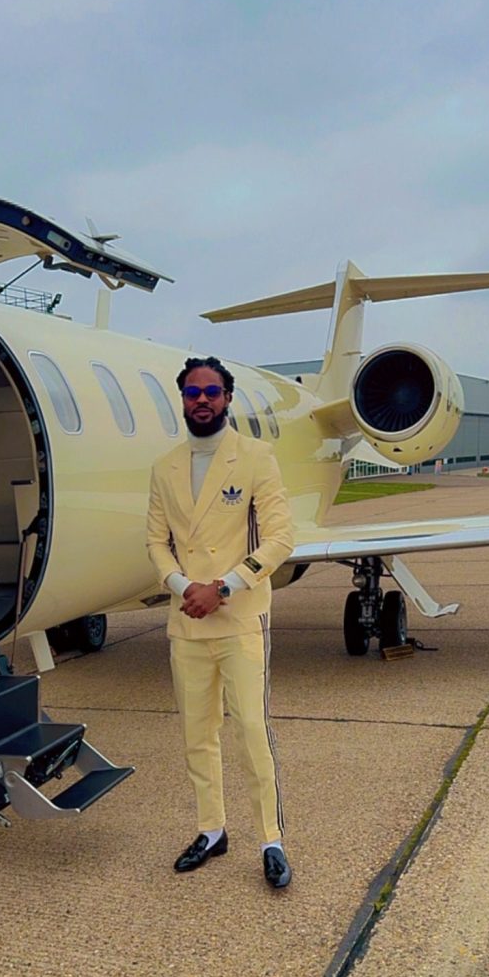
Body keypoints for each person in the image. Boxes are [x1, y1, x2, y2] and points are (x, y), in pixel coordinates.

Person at [146, 356, 295, 888]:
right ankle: (211, 831)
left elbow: (280, 538)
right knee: (197, 735)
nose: (202, 400)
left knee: (252, 731)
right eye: (193, 393)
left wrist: (223, 587)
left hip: (238, 619)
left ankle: (271, 840)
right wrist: (183, 587)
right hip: (187, 620)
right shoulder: (165, 467)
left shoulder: (255, 457)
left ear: (228, 398)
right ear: (183, 400)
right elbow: (155, 542)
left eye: (211, 391)